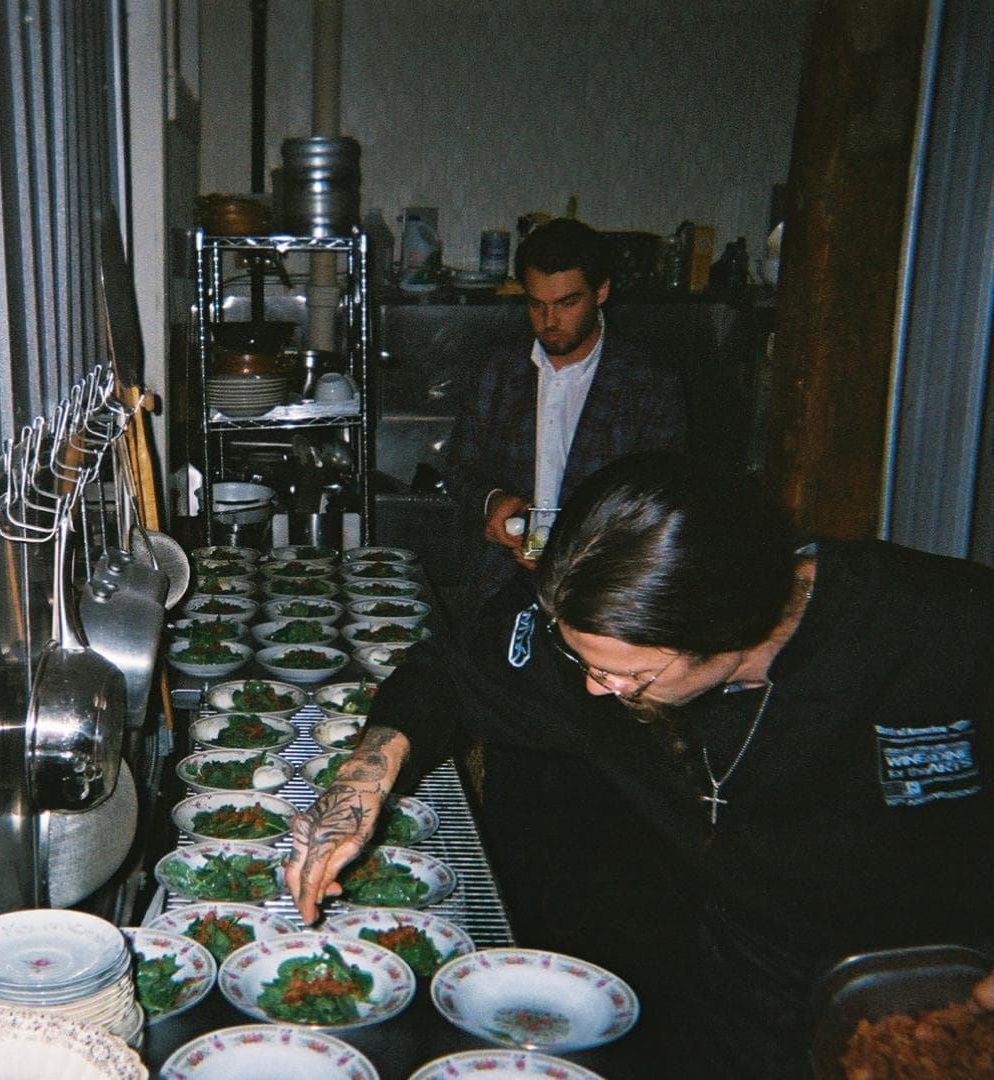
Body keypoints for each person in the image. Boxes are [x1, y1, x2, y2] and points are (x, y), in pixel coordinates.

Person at [286, 453, 994, 1077]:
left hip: (927, 997)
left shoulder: (944, 626)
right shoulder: (595, 644)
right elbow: (447, 676)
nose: (595, 689)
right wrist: (363, 780)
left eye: (631, 677)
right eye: (583, 661)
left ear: (726, 633)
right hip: (736, 989)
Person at [443, 217, 688, 612]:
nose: (549, 321)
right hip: (498, 584)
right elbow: (460, 464)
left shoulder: (648, 382)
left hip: (599, 592)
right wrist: (492, 503)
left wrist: (573, 552)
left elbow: (659, 501)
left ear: (602, 291)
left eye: (567, 303)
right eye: (536, 304)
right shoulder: (499, 368)